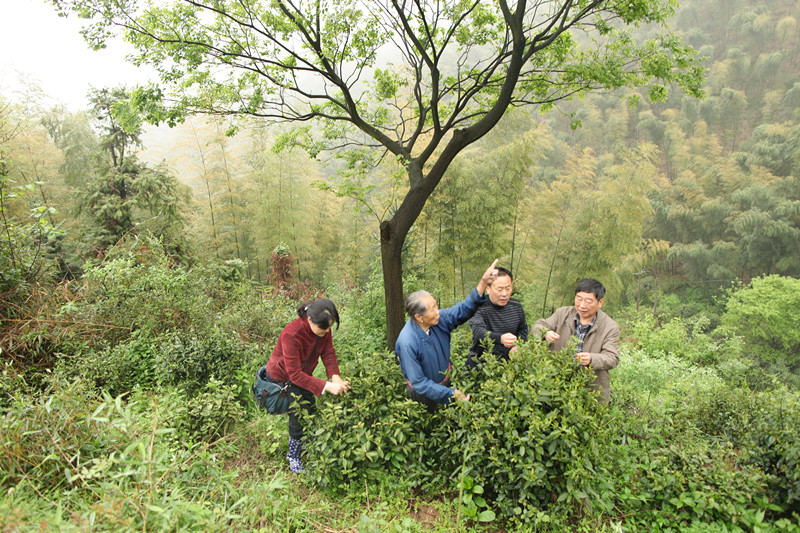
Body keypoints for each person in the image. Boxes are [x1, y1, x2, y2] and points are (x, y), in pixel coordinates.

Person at [396, 259, 499, 412]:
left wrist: (483, 283)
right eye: (433, 308)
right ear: (419, 317)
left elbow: (462, 310)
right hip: (423, 394)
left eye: (436, 305)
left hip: (445, 383)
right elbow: (418, 382)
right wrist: (450, 394)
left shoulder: (439, 320)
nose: (438, 311)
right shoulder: (407, 341)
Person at [263, 298, 351, 472]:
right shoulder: (292, 334)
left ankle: (308, 444)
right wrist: (326, 386)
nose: (326, 332)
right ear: (310, 320)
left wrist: (335, 376)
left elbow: (328, 352)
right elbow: (294, 374)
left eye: (329, 328)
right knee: (299, 412)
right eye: (323, 329)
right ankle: (293, 456)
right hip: (283, 377)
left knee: (310, 407)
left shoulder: (323, 327)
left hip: (302, 375)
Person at [533, 278, 619, 403]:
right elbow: (537, 326)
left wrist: (591, 359)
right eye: (579, 299)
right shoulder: (562, 314)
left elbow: (612, 358)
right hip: (557, 383)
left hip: (590, 389)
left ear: (600, 302)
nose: (582, 305)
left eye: (588, 301)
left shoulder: (609, 327)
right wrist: (545, 333)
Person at [466, 266, 528, 371]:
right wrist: (500, 339)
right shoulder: (478, 306)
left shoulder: (516, 306)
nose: (504, 294)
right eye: (499, 289)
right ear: (488, 289)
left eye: (508, 288)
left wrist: (518, 345)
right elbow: (478, 332)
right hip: (480, 366)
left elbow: (523, 329)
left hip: (508, 366)